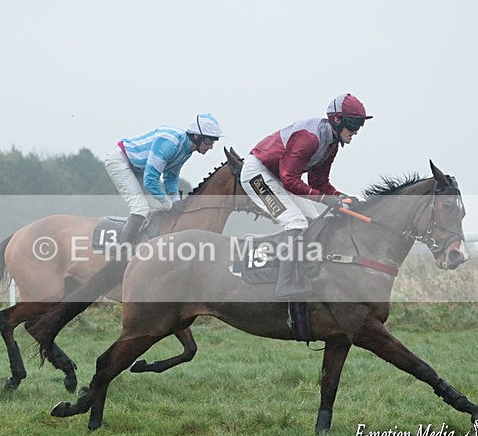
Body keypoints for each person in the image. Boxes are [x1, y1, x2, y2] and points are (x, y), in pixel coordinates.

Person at [240, 94, 372, 339]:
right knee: (296, 221)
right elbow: (290, 179)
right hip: (257, 174)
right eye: (354, 125)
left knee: (314, 222)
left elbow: (319, 182)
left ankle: (303, 271)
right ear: (336, 120)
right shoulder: (309, 138)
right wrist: (325, 199)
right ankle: (286, 282)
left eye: (360, 125)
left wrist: (341, 197)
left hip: (278, 175)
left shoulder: (331, 142)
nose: (356, 131)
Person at [104, 113, 223, 244]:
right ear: (196, 136)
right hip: (120, 161)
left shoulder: (187, 150)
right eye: (209, 141)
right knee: (140, 209)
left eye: (213, 142)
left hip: (137, 168)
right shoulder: (170, 143)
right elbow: (150, 180)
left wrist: (175, 199)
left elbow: (171, 177)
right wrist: (168, 203)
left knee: (156, 209)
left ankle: (141, 245)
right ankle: (123, 251)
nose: (211, 146)